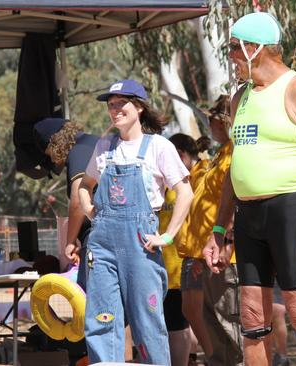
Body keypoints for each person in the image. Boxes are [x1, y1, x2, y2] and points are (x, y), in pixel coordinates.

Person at [203, 12, 296, 366]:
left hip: (290, 212)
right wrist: (218, 229)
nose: (230, 56)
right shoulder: (240, 98)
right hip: (249, 217)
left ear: (255, 48)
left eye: (234, 48)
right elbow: (237, 168)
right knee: (251, 317)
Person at [78, 79, 193, 364]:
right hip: (102, 246)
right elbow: (84, 184)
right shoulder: (104, 146)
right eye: (111, 105)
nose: (115, 110)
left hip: (142, 246)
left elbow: (185, 193)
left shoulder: (158, 147)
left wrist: (167, 236)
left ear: (139, 107)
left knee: (147, 320)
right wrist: (91, 212)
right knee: (101, 319)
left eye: (121, 104)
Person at [178, 95, 244, 366]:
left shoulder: (237, 153)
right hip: (207, 256)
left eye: (214, 118)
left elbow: (236, 201)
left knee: (232, 328)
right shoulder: (221, 154)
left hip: (226, 257)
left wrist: (227, 241)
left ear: (227, 120)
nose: (210, 123)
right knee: (214, 330)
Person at [28, 117, 100, 286]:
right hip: (111, 235)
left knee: (92, 299)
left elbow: (78, 198)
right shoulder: (94, 142)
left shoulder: (79, 150)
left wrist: (70, 241)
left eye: (49, 154)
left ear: (54, 144)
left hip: (97, 238)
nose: (52, 161)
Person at [161, 133, 210, 366]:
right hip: (167, 270)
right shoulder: (169, 182)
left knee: (188, 322)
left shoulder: (201, 177)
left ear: (180, 155)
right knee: (178, 322)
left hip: (190, 265)